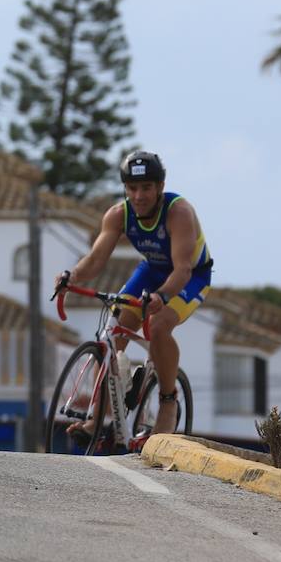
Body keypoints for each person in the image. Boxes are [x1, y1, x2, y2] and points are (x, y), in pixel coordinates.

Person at [54, 151, 213, 437]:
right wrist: (71, 276)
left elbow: (183, 270)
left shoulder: (179, 213)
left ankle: (168, 401)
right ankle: (97, 417)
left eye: (146, 188)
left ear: (160, 187)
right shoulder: (118, 215)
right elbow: (96, 259)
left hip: (190, 276)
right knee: (111, 333)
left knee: (161, 324)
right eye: (132, 188)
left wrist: (162, 297)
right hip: (151, 270)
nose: (139, 196)